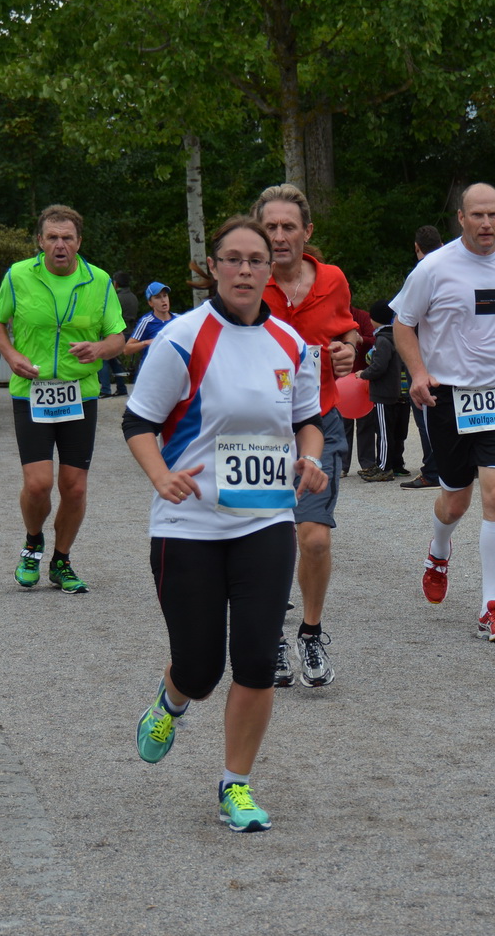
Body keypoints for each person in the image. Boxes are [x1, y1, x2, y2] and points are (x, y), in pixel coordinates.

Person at [122, 215, 328, 833]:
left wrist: (310, 457)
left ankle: (234, 784)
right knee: (200, 668)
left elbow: (308, 420)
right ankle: (173, 698)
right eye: (232, 259)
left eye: (256, 260)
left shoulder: (290, 345)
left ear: (272, 269)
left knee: (258, 658)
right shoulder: (182, 339)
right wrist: (161, 477)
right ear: (213, 267)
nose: (244, 270)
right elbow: (138, 424)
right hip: (188, 525)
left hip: (264, 520)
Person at [390, 183, 495, 642]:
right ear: (461, 218)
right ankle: (438, 550)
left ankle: (490, 606)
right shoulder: (434, 268)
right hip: (446, 396)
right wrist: (419, 373)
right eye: (477, 215)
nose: (487, 224)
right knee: (455, 499)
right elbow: (402, 323)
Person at [0, 204, 128, 593]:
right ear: (40, 242)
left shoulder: (98, 281)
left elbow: (118, 336)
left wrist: (100, 350)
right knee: (37, 485)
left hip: (79, 394)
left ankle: (61, 560)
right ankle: (33, 541)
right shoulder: (18, 275)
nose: (60, 245)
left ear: (79, 242)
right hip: (31, 392)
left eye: (67, 238)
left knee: (75, 486)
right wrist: (12, 355)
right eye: (52, 237)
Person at [255, 183, 358, 686]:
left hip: (322, 422)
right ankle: (271, 637)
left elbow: (348, 330)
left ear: (307, 232)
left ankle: (310, 634)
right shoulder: (245, 279)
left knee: (313, 540)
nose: (278, 236)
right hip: (258, 435)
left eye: (287, 226)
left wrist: (347, 348)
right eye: (270, 227)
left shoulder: (333, 279)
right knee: (266, 541)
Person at [398, 225, 443, 489]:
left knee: (426, 416)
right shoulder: (457, 270)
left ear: (417, 248)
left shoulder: (419, 274)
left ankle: (433, 470)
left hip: (425, 360)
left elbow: (403, 321)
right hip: (454, 359)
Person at [357, 301, 413, 479]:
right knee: (399, 432)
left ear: (373, 320)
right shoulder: (400, 336)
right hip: (402, 392)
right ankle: (397, 464)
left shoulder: (382, 339)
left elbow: (379, 366)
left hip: (384, 394)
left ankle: (383, 467)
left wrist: (363, 374)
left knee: (384, 432)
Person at [123, 281, 175, 386]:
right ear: (150, 303)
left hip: (174, 375)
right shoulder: (146, 322)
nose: (163, 300)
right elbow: (127, 349)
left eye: (165, 296)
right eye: (157, 297)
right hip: (152, 377)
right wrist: (147, 342)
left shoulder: (178, 320)